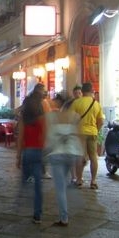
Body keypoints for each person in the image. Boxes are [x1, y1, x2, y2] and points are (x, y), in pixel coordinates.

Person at [46, 91, 84, 226]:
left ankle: (64, 217)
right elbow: (79, 135)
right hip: (71, 154)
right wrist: (81, 154)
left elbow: (48, 136)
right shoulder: (74, 116)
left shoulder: (52, 117)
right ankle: (69, 205)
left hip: (56, 154)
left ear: (59, 102)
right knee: (66, 182)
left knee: (60, 187)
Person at [16, 89, 46, 224]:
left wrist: (18, 156)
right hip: (39, 152)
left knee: (25, 180)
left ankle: (21, 202)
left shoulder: (24, 119)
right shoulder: (42, 118)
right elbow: (45, 136)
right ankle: (37, 213)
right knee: (38, 185)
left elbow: (20, 138)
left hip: (27, 152)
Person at [69, 82, 105, 189]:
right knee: (93, 157)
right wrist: (96, 130)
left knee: (79, 157)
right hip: (92, 132)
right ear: (92, 91)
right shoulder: (96, 104)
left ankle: (79, 180)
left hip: (79, 133)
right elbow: (101, 121)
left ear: (82, 91)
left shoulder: (76, 103)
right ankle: (93, 181)